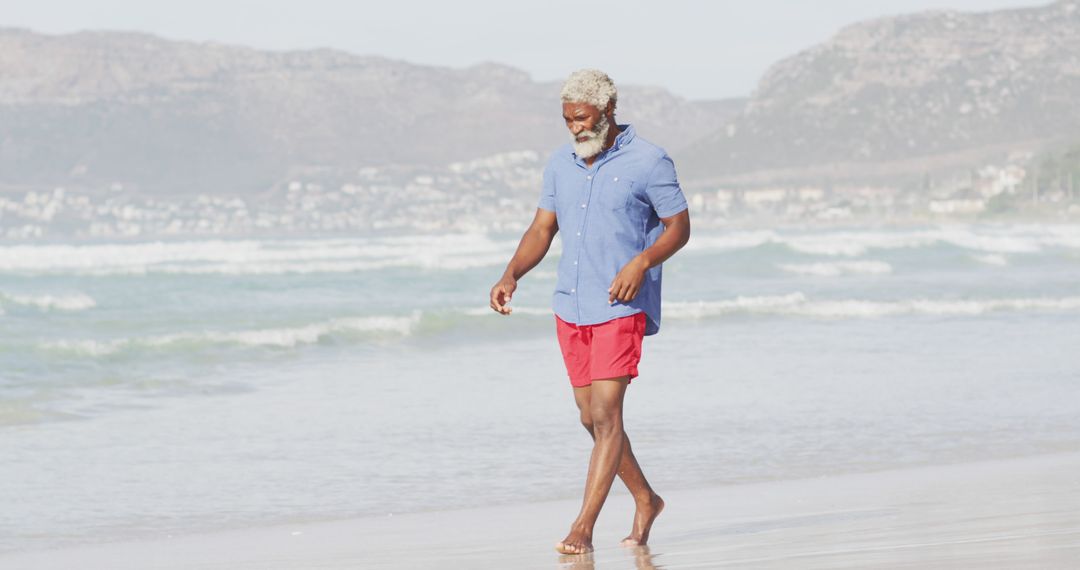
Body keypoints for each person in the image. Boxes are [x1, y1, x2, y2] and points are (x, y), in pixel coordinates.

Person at [488, 69, 691, 555]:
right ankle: (646, 498)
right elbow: (542, 230)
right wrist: (510, 274)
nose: (575, 128)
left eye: (582, 118)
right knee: (589, 417)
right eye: (567, 120)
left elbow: (679, 227)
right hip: (570, 306)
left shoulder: (650, 160)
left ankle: (583, 526)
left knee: (606, 413)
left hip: (620, 305)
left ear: (608, 109)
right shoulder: (561, 163)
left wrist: (642, 262)